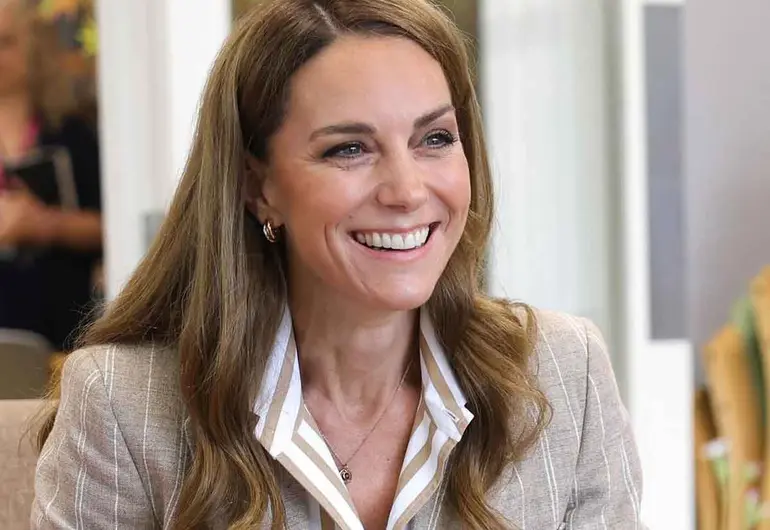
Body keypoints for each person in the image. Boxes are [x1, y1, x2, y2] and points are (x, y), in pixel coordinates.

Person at [32, 0, 645, 528]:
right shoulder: (124, 405)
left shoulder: (564, 372)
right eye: (349, 149)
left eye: (434, 139)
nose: (407, 191)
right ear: (258, 186)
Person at [0, 0, 101, 351]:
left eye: (5, 42)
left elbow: (112, 227)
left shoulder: (70, 133)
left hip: (62, 329)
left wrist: (46, 225)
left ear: (32, 44)